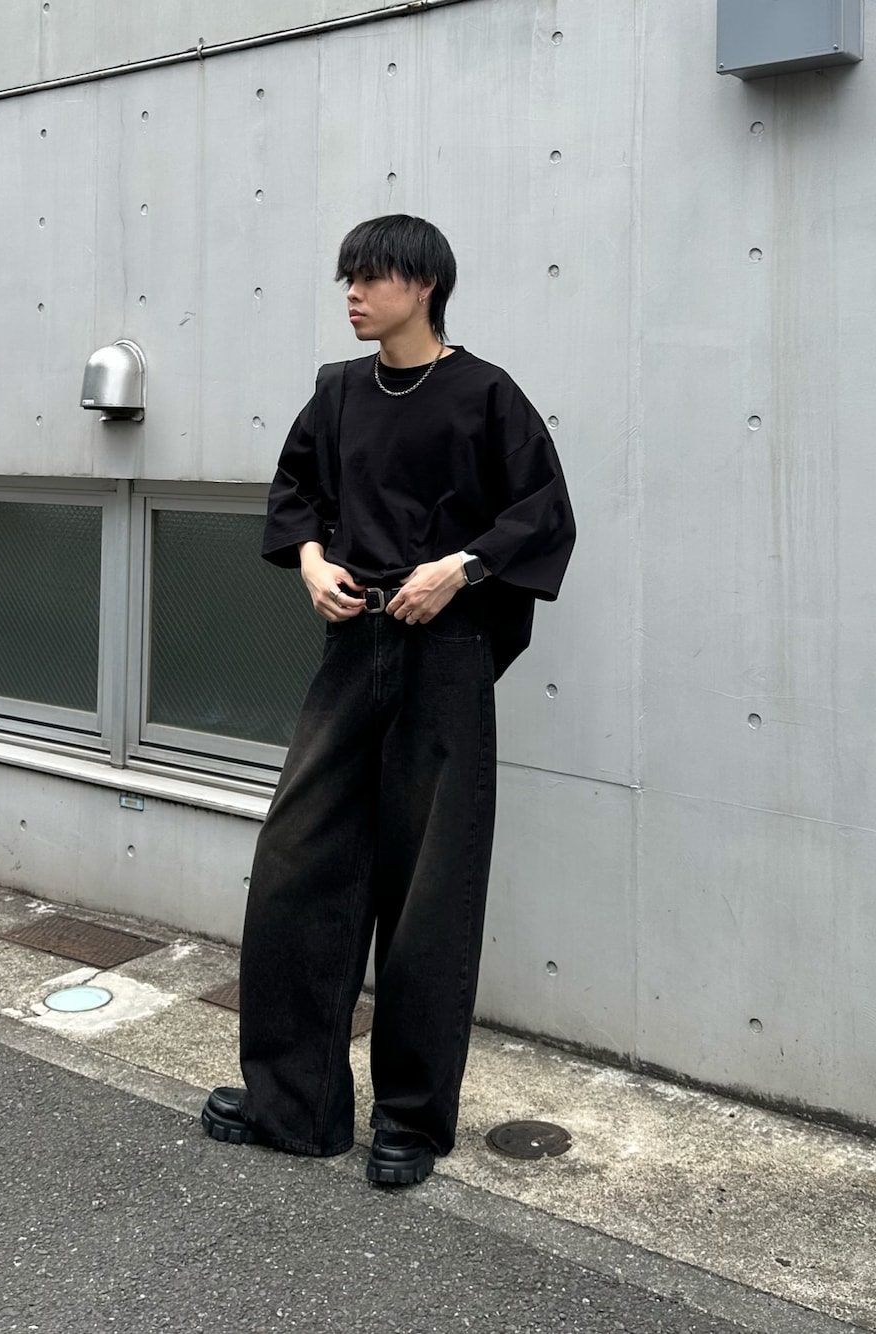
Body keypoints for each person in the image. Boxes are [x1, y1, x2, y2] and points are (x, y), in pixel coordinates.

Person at [202, 214, 575, 1186]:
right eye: (349, 279)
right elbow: (297, 492)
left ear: (424, 285)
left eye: (370, 277)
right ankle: (294, 1102)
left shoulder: (485, 393)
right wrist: (311, 564)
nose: (354, 294)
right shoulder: (337, 392)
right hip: (352, 643)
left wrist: (460, 568)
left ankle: (410, 1118)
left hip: (442, 652)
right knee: (297, 867)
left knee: (430, 887)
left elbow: (542, 512)